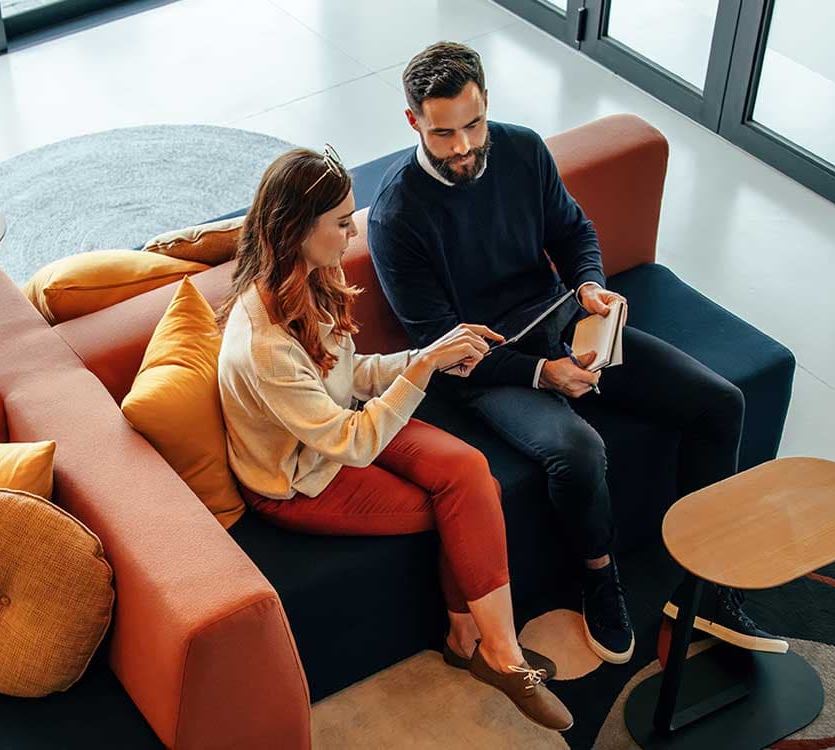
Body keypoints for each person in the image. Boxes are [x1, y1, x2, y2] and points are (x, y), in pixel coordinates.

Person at [367, 41, 788, 662]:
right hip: (483, 367)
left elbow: (572, 230)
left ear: (487, 103)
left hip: (562, 322)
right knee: (578, 451)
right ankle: (598, 576)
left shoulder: (523, 149)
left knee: (719, 402)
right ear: (413, 123)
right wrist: (543, 373)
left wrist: (589, 282)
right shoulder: (397, 215)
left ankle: (707, 587)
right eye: (443, 133)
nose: (462, 147)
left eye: (473, 124)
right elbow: (442, 345)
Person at [216, 145, 574, 731]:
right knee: (458, 505)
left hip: (344, 424)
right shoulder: (265, 346)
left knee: (470, 473)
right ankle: (501, 657)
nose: (351, 234)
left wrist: (427, 354)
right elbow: (352, 443)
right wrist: (421, 372)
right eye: (339, 223)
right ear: (298, 229)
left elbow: (349, 375)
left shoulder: (311, 276)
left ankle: (470, 642)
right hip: (298, 480)